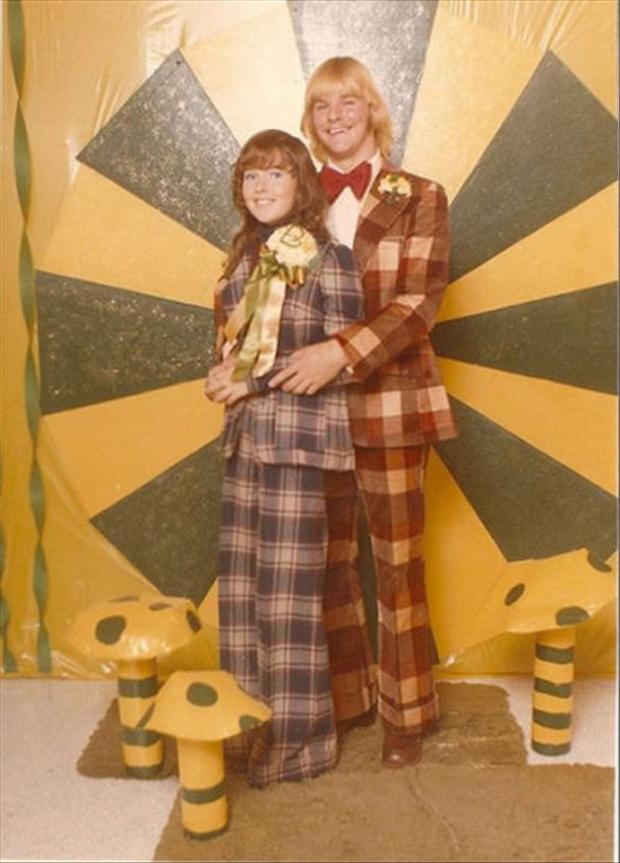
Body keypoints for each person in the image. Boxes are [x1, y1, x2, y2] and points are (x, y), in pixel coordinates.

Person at [267, 57, 458, 768]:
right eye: (322, 106)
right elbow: (263, 300)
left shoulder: (422, 195)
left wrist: (337, 354)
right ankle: (346, 701)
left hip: (393, 403)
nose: (335, 116)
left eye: (348, 102)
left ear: (372, 111)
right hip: (307, 412)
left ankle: (406, 714)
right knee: (325, 562)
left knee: (398, 565)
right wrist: (235, 355)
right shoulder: (292, 200)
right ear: (310, 122)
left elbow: (417, 305)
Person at [204, 129, 364, 787]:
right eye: (251, 176)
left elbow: (342, 358)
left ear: (302, 185)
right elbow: (230, 348)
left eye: (276, 174)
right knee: (242, 597)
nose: (262, 187)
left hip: (298, 445)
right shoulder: (241, 261)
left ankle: (301, 745)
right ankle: (248, 729)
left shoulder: (331, 259)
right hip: (246, 441)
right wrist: (220, 374)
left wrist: (252, 381)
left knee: (289, 603)